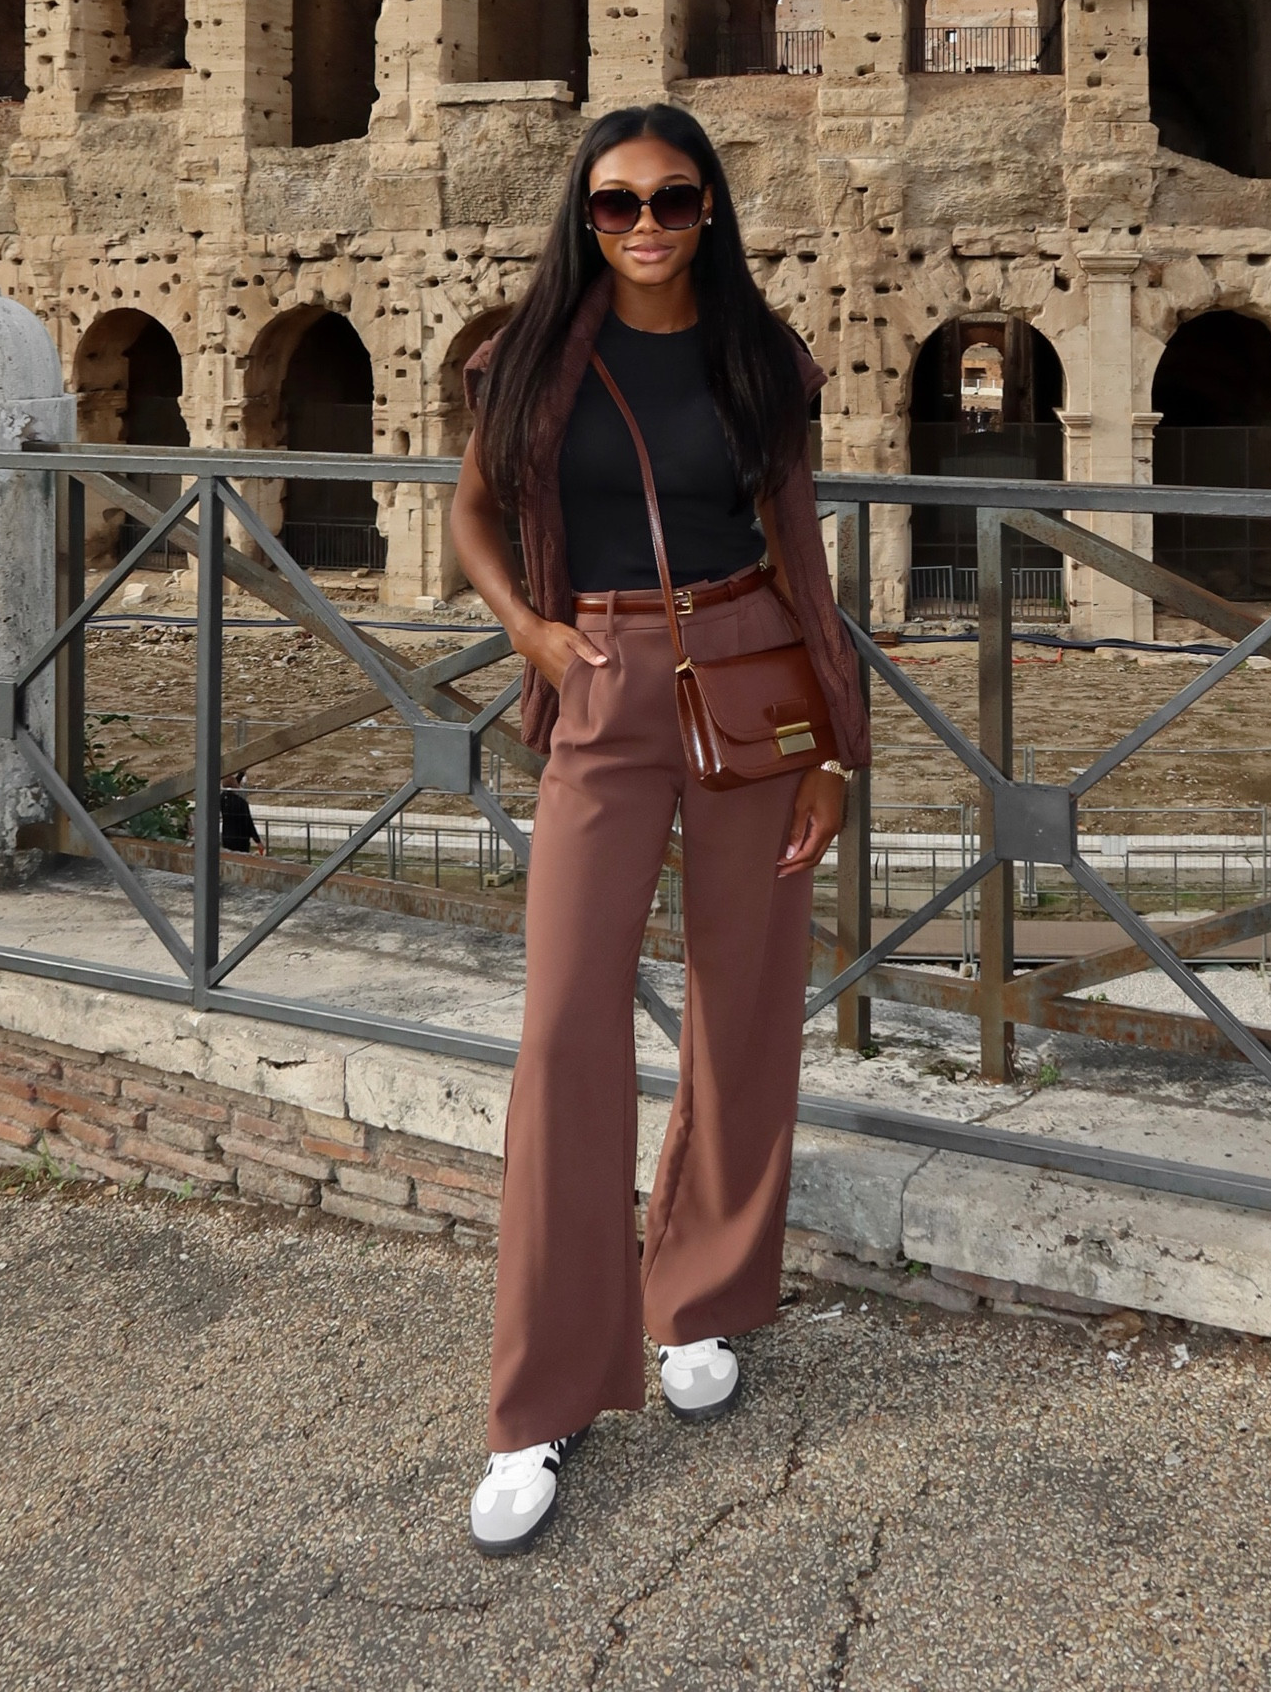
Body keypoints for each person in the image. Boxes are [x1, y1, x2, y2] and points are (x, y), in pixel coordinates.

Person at [450, 102, 871, 1554]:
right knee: (566, 1029)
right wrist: (531, 634)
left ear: (709, 211)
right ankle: (541, 1395)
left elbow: (799, 557)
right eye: (616, 203)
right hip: (604, 677)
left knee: (744, 1006)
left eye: (673, 200)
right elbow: (473, 514)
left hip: (753, 679)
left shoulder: (760, 355)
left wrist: (834, 749)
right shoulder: (526, 357)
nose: (644, 226)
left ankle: (697, 1299)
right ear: (584, 216)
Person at [217, 773, 265, 855]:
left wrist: (241, 774)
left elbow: (230, 785)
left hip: (227, 837)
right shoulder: (241, 803)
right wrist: (258, 841)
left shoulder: (221, 799)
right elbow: (249, 823)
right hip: (241, 838)